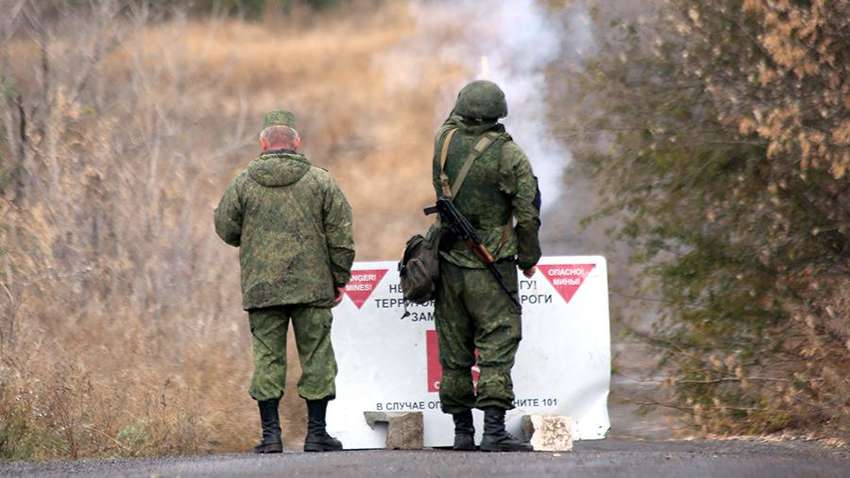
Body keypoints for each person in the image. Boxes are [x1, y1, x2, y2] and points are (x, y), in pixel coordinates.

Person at [214, 110, 355, 453]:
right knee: (317, 357)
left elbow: (226, 228)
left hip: (263, 290)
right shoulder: (321, 181)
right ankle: (317, 434)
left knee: (267, 359)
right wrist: (339, 279)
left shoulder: (243, 182)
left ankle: (270, 436)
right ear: (296, 142)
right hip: (313, 288)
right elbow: (342, 237)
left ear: (263, 144)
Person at [431, 81, 542, 452]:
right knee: (497, 341)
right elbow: (527, 214)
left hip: (447, 261)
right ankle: (492, 431)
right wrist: (528, 257)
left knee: (454, 347)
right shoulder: (510, 155)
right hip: (491, 262)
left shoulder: (443, 143)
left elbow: (451, 122)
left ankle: (462, 433)